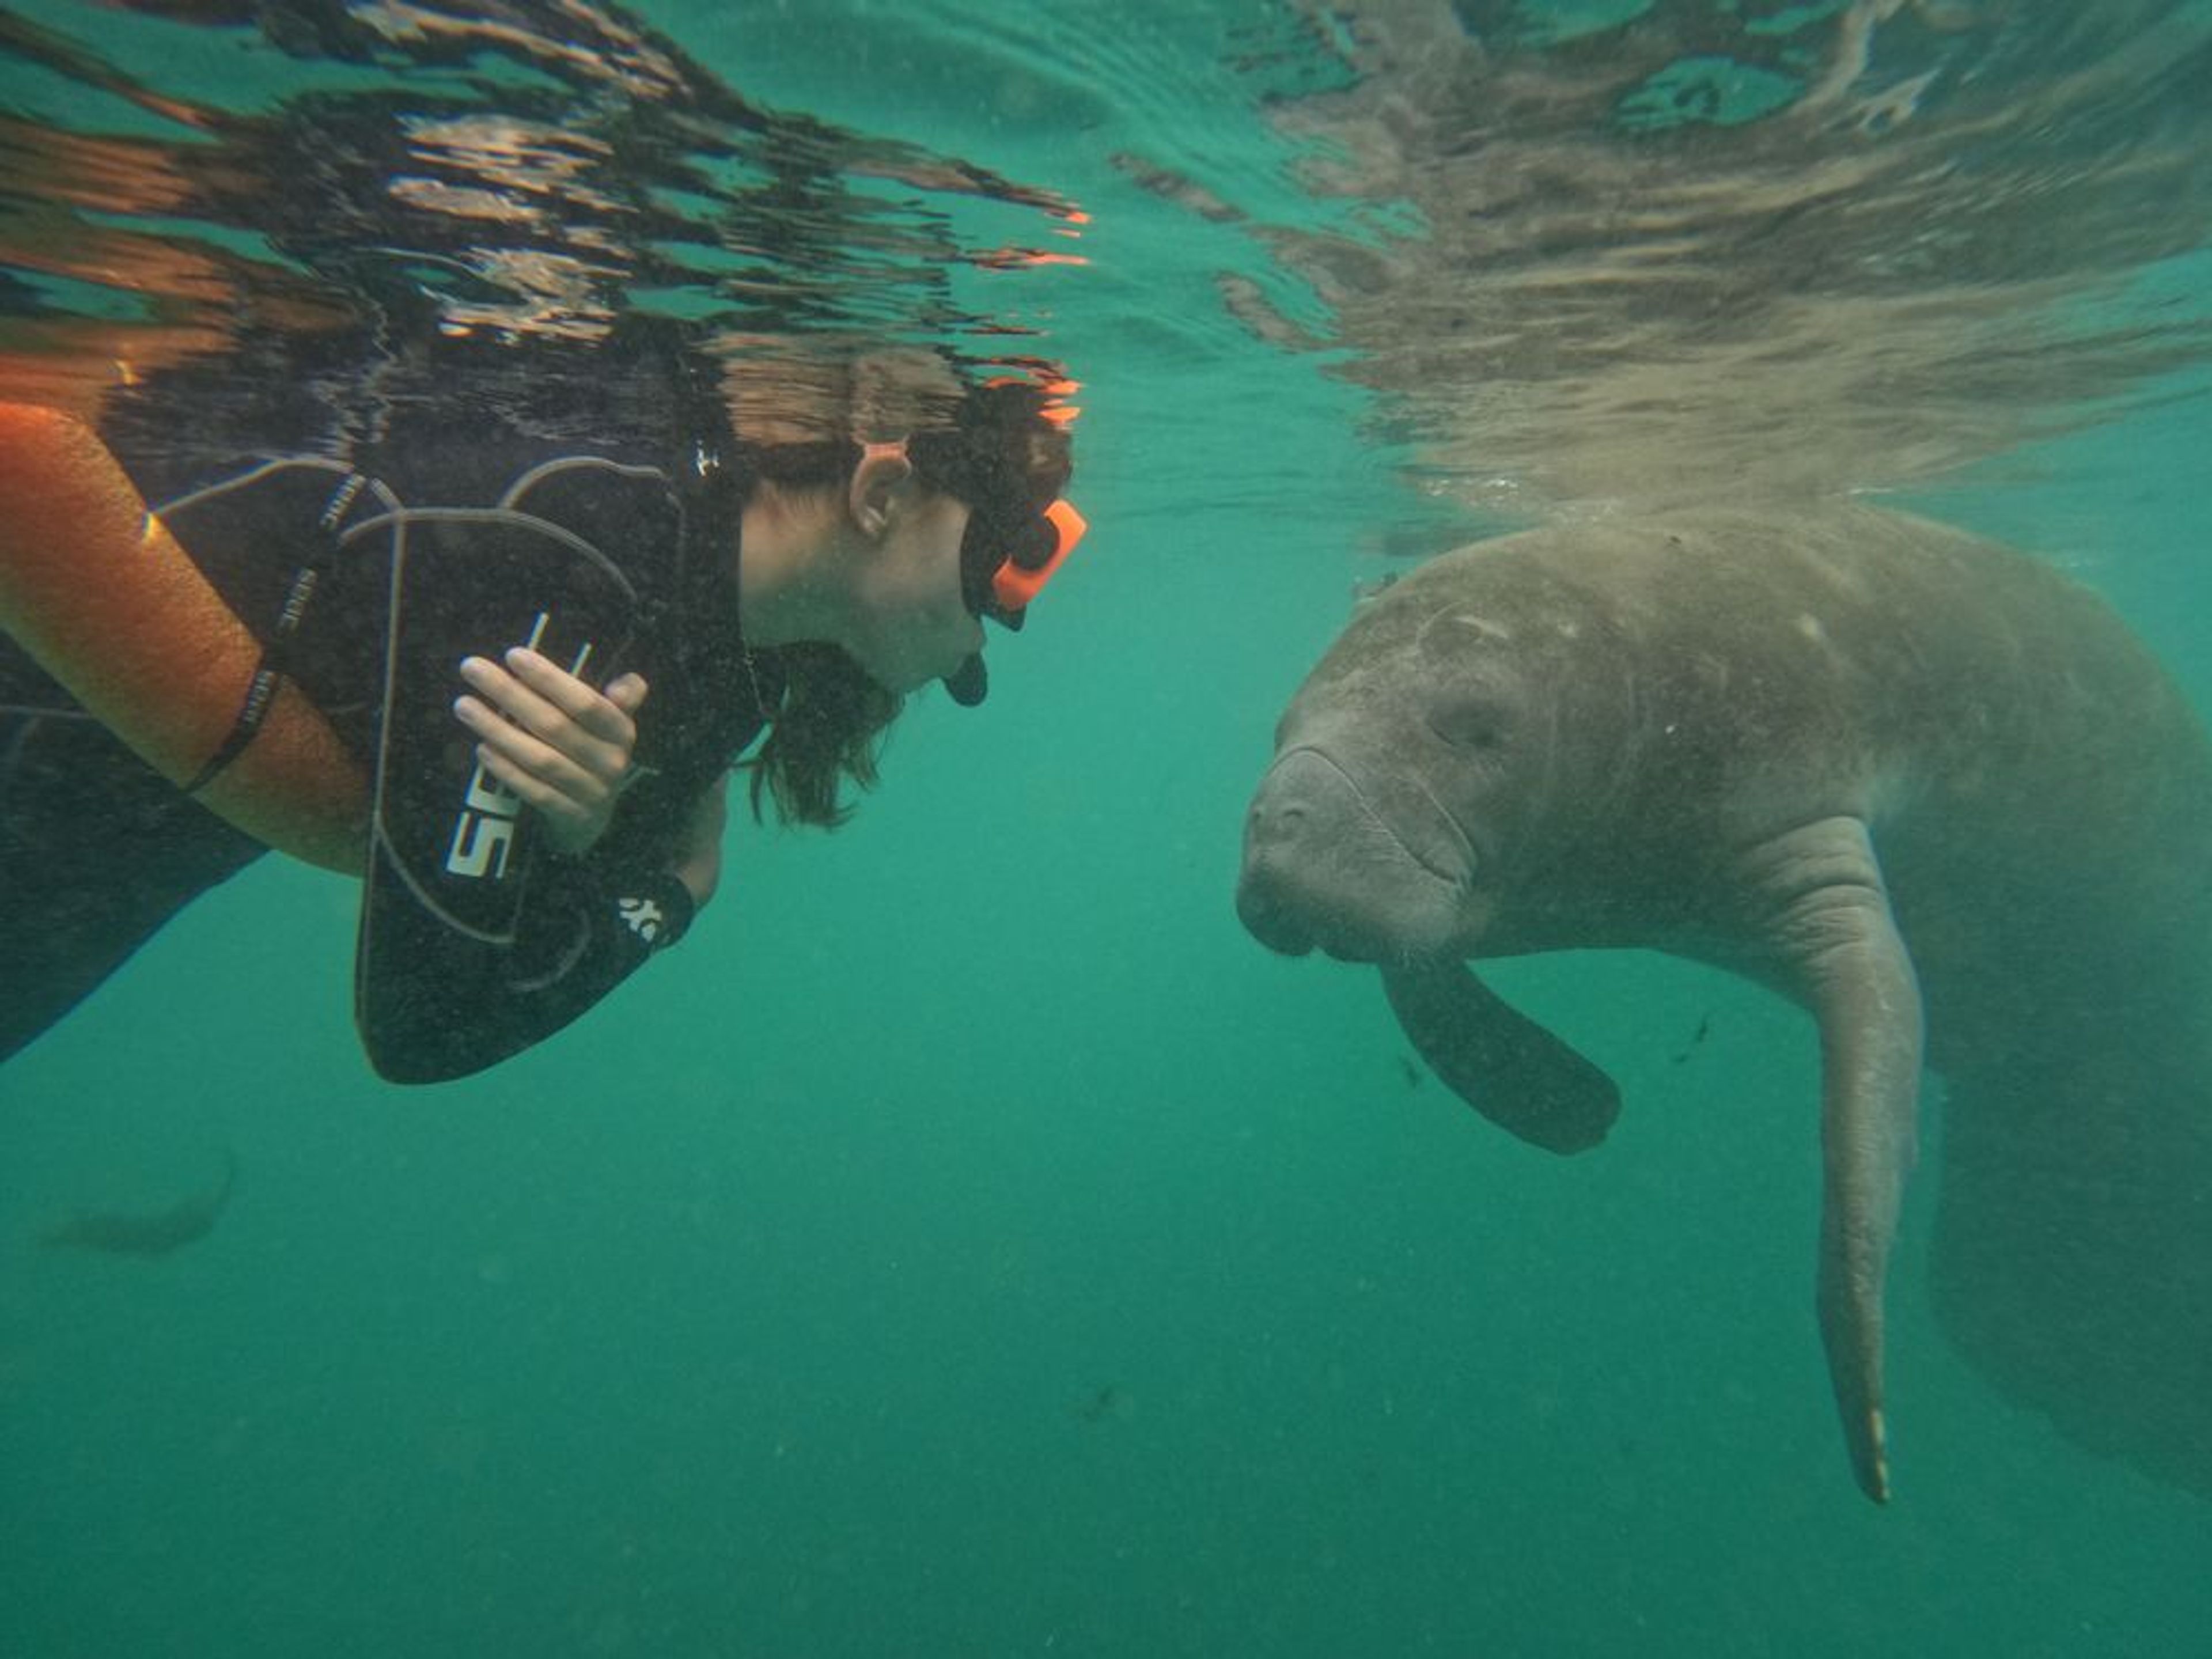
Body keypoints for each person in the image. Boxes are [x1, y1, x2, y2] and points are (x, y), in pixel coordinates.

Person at [0, 324, 1083, 1081]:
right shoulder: (570, 555)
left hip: (94, 856)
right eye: (994, 558)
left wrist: (593, 834)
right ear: (882, 493)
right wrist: (669, 895)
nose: (989, 624)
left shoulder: (732, 651)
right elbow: (430, 1025)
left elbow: (525, 884)